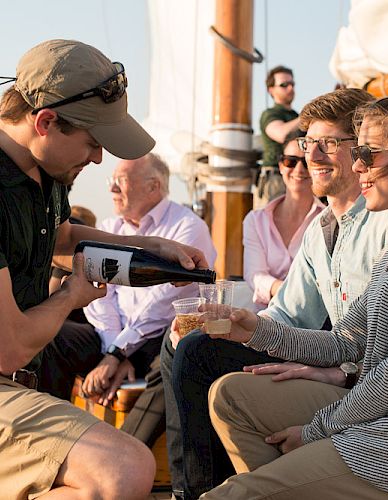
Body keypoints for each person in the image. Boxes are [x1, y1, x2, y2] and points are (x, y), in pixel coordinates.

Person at [202, 87, 388, 500]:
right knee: (231, 396)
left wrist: (312, 433)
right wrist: (253, 330)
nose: (358, 166)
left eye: (370, 154)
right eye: (357, 152)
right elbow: (347, 341)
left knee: (232, 496)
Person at [161, 88, 388, 499]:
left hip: (364, 376)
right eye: (309, 144)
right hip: (328, 354)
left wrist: (341, 371)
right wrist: (232, 324)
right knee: (184, 342)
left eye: (330, 144)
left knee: (199, 355)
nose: (314, 156)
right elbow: (287, 316)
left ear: (359, 151)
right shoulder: (320, 230)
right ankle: (201, 490)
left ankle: (205, 492)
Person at [0, 39, 209, 498]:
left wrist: (148, 245)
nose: (98, 159)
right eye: (93, 143)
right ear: (46, 121)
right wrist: (72, 296)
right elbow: (10, 348)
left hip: (19, 383)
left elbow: (61, 237)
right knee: (123, 469)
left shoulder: (41, 172)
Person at [38, 152, 217, 407]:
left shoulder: (188, 227)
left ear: (153, 186)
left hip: (156, 339)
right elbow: (100, 291)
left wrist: (117, 353)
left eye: (120, 180)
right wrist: (112, 346)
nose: (111, 187)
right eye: (111, 179)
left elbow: (161, 305)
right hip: (111, 334)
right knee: (53, 337)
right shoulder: (111, 226)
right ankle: (53, 427)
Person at [243, 130, 324, 310]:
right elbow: (254, 275)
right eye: (290, 161)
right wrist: (294, 292)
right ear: (280, 166)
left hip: (311, 328)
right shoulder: (255, 221)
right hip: (264, 323)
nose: (298, 169)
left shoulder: (328, 221)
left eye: (306, 162)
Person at [255, 66, 301, 208]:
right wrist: (309, 114)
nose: (290, 88)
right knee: (269, 227)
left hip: (297, 176)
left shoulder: (296, 117)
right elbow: (282, 134)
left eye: (292, 84)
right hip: (275, 180)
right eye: (284, 85)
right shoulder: (269, 114)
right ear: (271, 90)